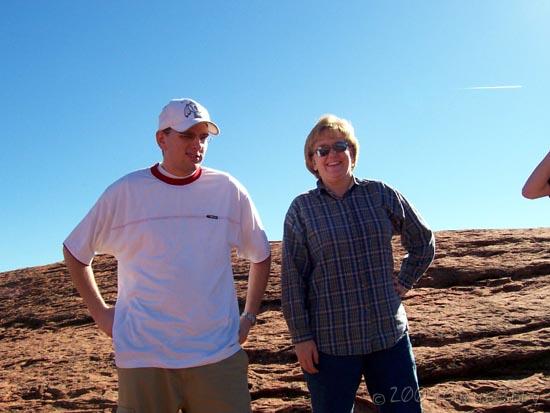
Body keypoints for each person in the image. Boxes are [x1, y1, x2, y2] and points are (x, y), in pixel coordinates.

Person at [63, 98, 271, 413]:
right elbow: (76, 250)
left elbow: (261, 254)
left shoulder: (228, 190)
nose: (198, 144)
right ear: (162, 138)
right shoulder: (127, 191)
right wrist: (103, 314)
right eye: (187, 135)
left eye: (204, 137)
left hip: (216, 356)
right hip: (144, 358)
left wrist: (249, 317)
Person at [281, 114, 435, 413]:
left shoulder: (379, 193)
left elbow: (423, 240)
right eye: (322, 150)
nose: (332, 155)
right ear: (312, 161)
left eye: (339, 146)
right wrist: (301, 338)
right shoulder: (302, 209)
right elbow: (292, 279)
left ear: (352, 151)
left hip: (388, 337)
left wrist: (404, 281)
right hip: (330, 347)